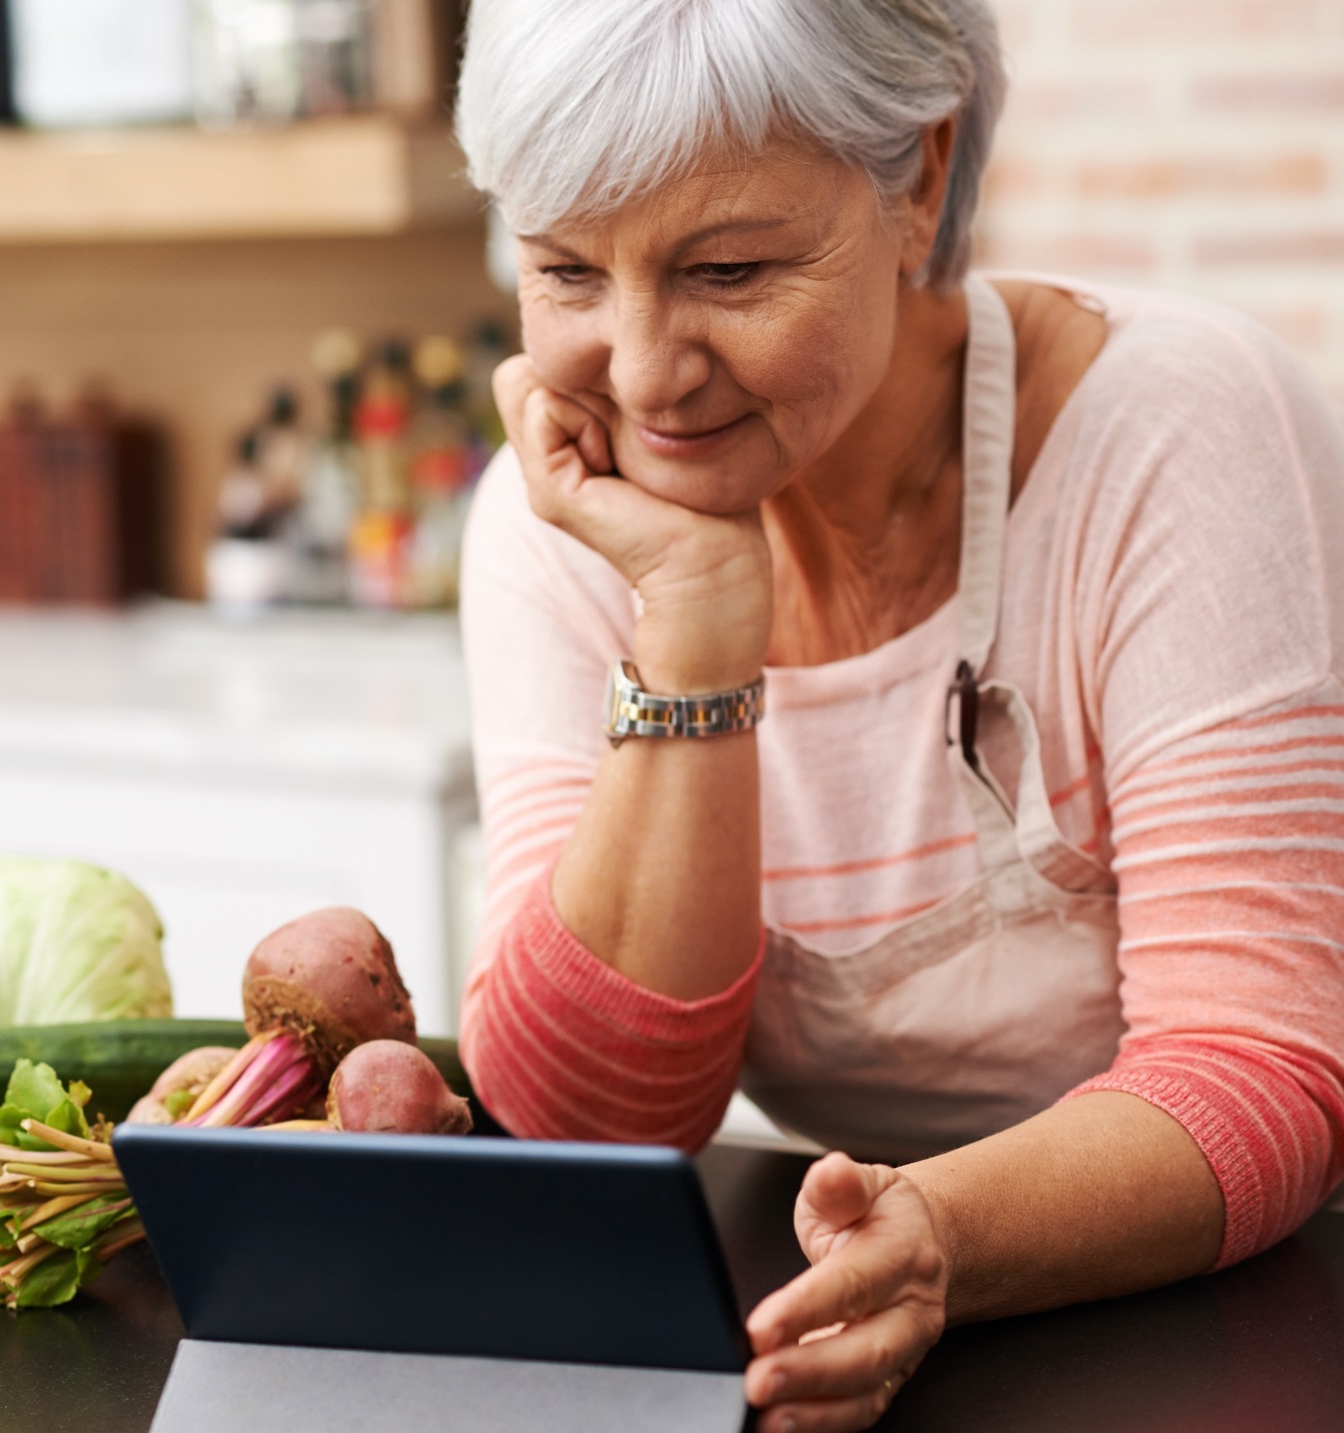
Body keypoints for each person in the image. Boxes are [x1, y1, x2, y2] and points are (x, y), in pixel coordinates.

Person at [451, 2, 1344, 1429]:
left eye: (727, 268)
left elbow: (1261, 1068)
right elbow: (591, 1134)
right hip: (824, 1304)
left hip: (1207, 1323)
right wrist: (692, 627)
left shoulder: (1182, 428)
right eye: (564, 270)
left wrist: (939, 1236)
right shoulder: (561, 520)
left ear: (918, 177)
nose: (640, 371)